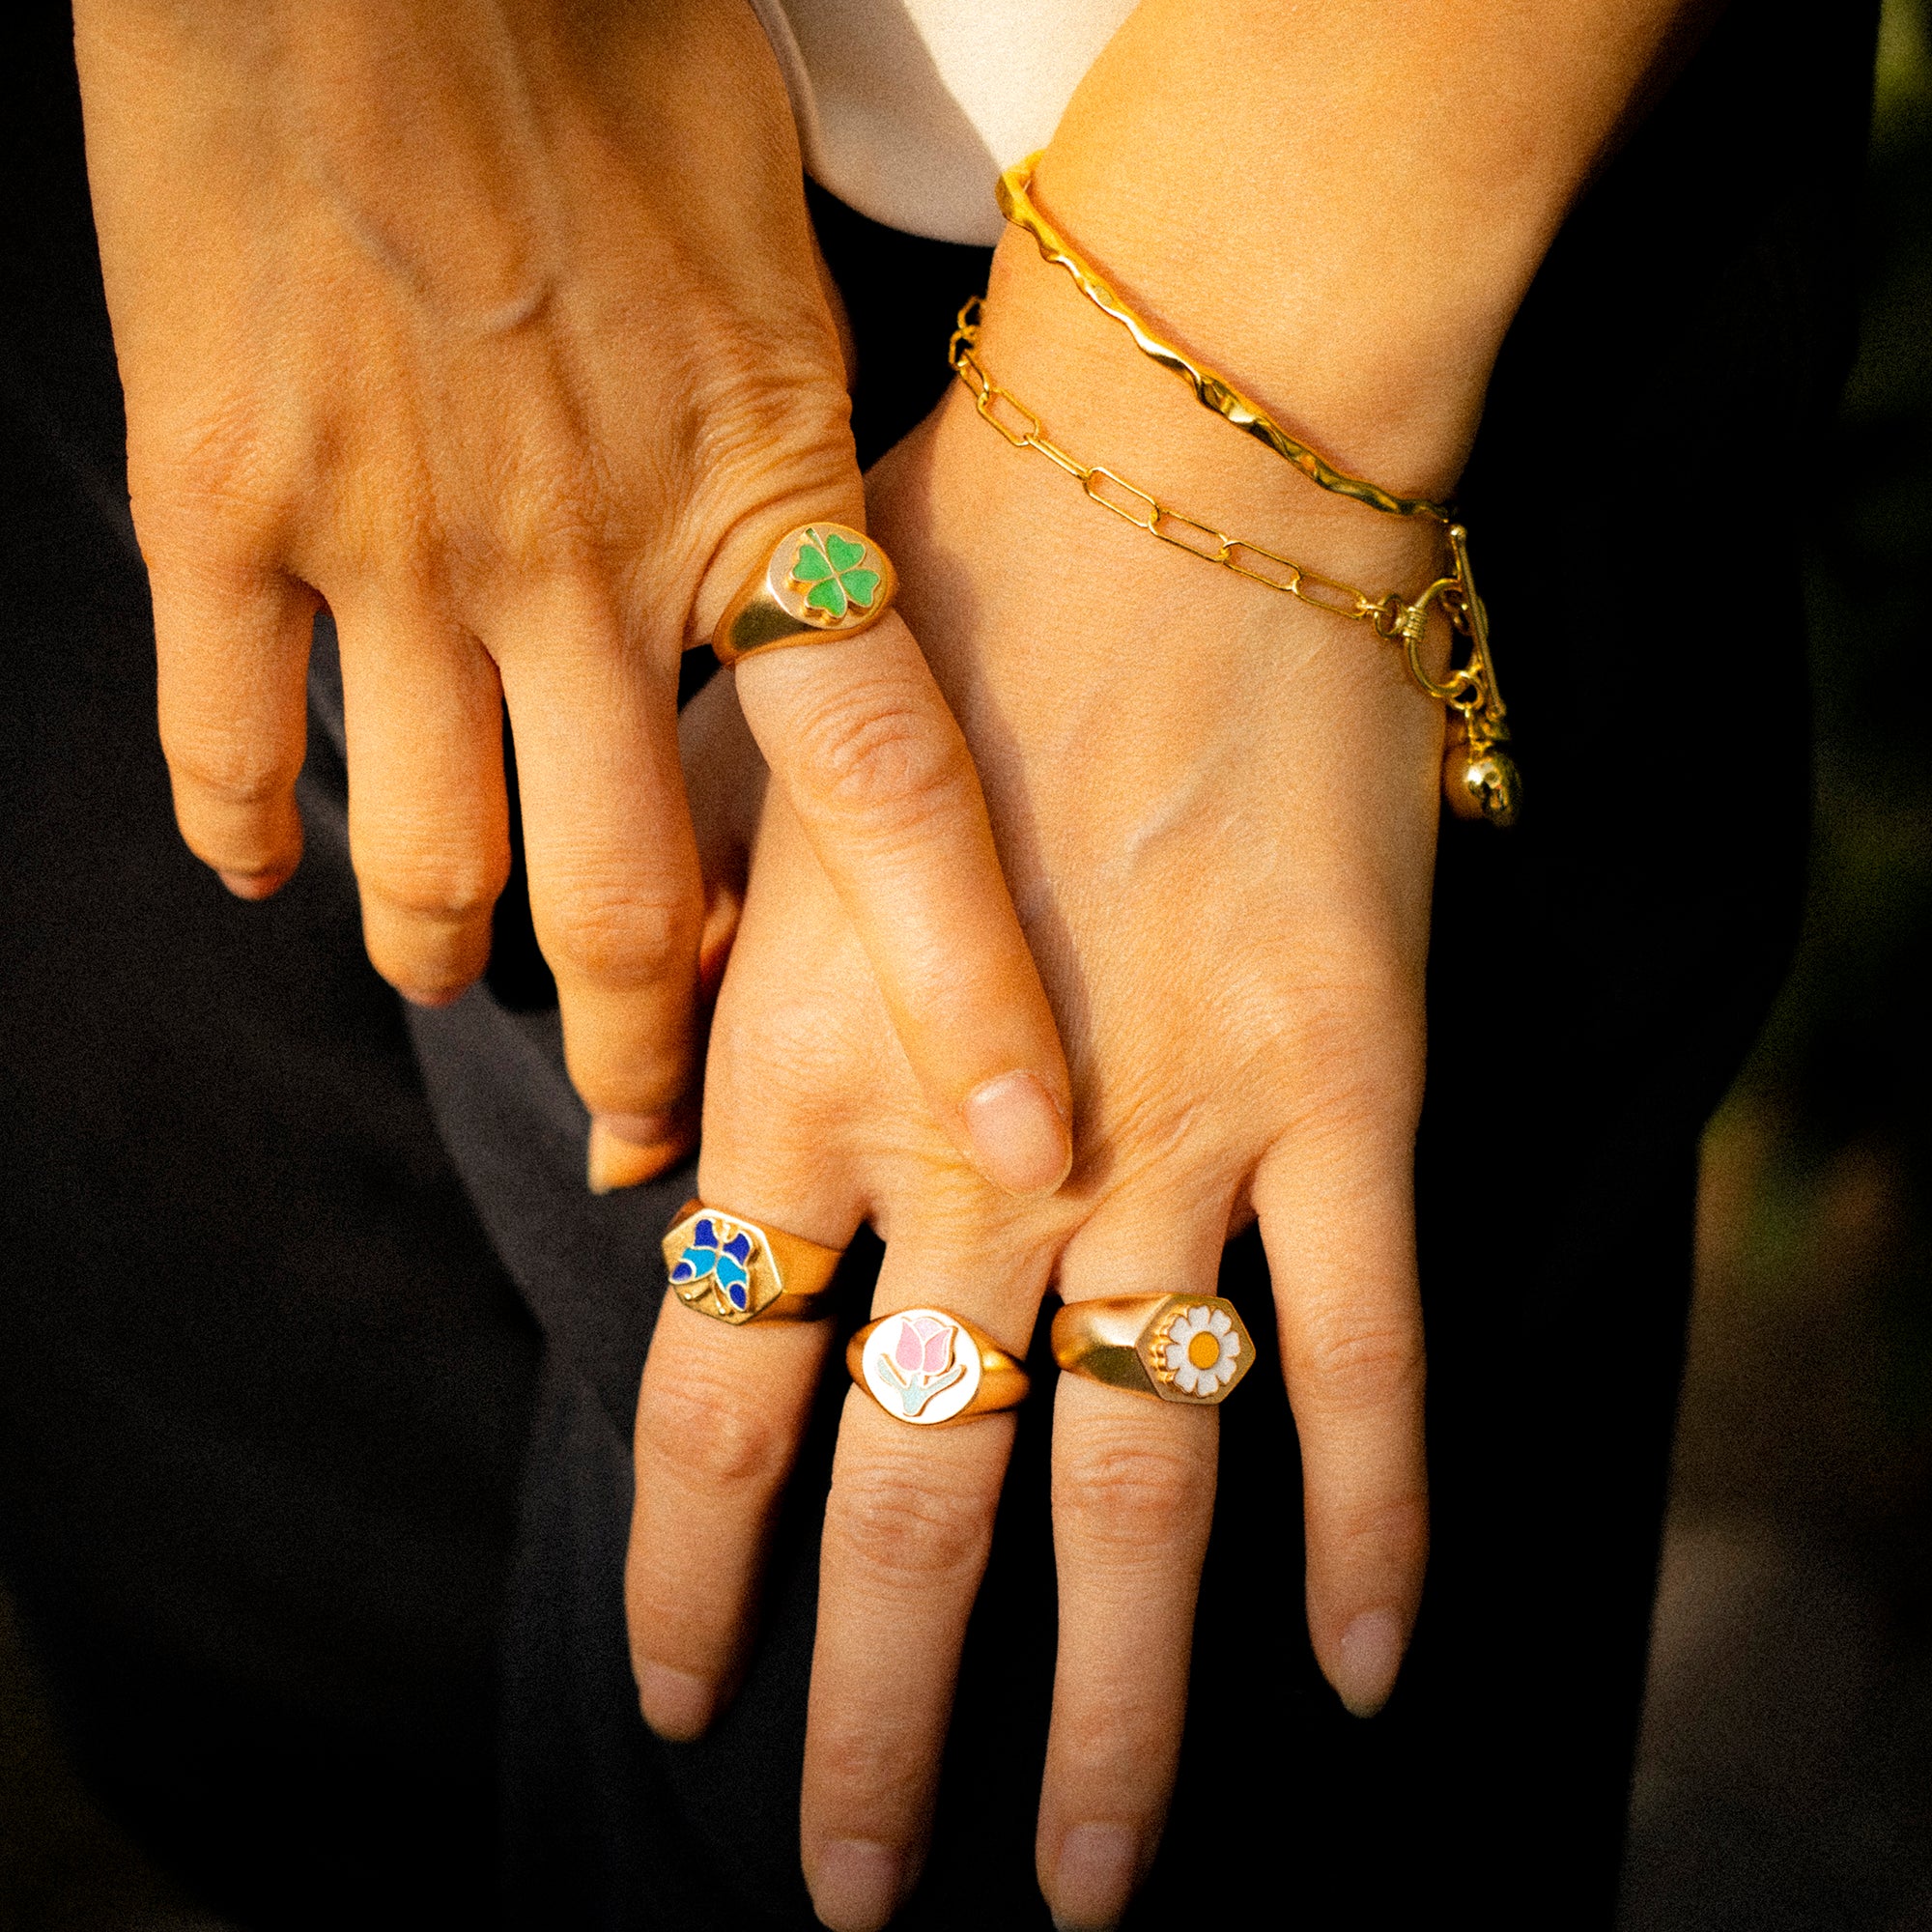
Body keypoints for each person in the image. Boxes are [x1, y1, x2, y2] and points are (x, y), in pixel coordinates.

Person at [0, 0, 1879, 1926]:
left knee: (947, 1800)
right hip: (189, 191)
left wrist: (1228, 397)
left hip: (1227, 374)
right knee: (281, 1702)